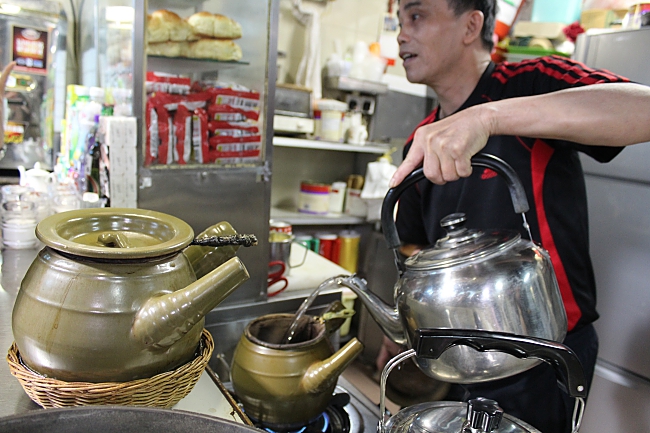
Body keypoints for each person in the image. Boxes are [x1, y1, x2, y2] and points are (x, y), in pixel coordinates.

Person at [377, 1, 650, 432]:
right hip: (456, 355)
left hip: (542, 352)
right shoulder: (424, 139)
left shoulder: (530, 83)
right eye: (399, 21)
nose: (401, 34)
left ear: (471, 25)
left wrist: (489, 117)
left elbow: (644, 109)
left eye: (417, 16)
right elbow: (411, 244)